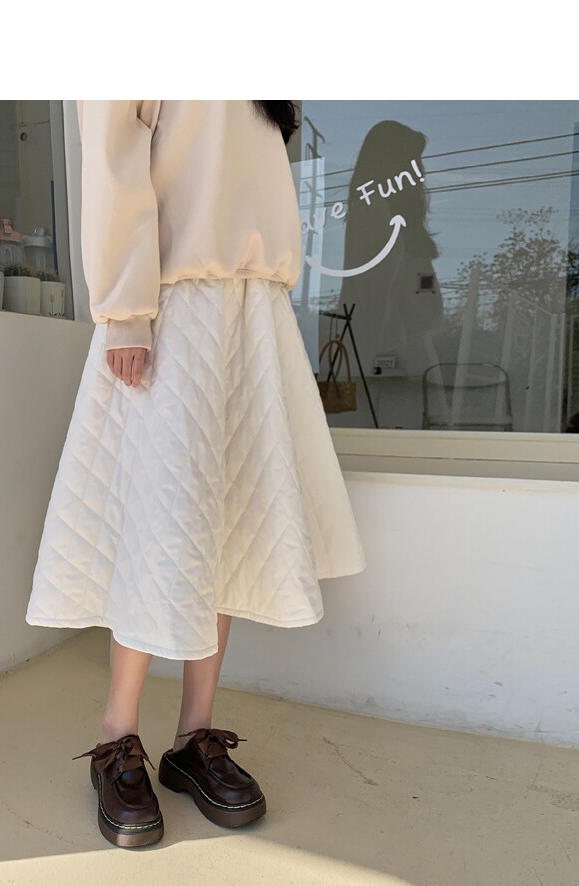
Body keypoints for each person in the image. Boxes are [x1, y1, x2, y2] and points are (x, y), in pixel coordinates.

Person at [25, 100, 366, 848]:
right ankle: (117, 736)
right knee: (160, 524)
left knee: (227, 524)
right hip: (172, 304)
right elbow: (113, 154)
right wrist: (125, 311)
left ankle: (193, 738)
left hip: (256, 307)